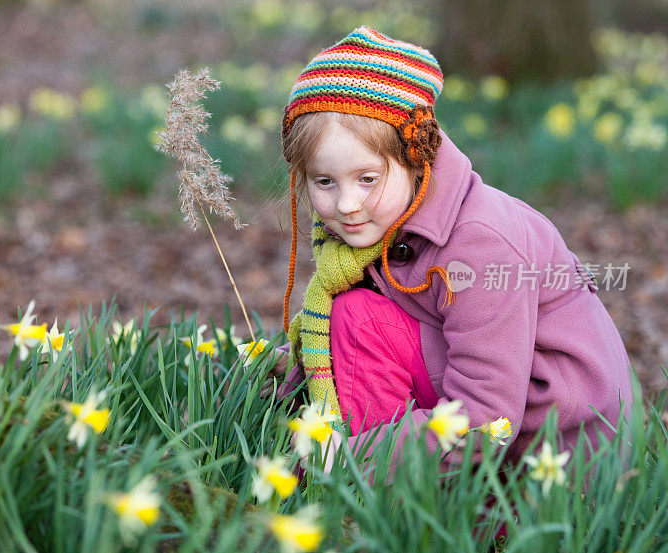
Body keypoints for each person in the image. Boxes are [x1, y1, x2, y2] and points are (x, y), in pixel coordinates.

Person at [271, 25, 633, 474]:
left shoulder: (480, 245)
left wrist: (350, 461)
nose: (346, 205)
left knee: (358, 321)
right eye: (325, 181)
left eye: (368, 179)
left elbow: (488, 417)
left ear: (416, 156)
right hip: (509, 415)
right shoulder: (385, 219)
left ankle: (389, 501)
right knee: (354, 314)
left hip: (551, 459)